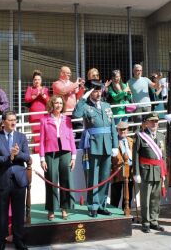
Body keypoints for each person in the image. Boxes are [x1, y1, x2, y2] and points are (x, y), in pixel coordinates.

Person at [73, 80, 118, 218]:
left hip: (107, 146)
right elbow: (76, 114)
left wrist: (115, 145)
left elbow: (112, 127)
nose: (98, 94)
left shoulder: (106, 105)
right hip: (93, 145)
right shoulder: (85, 106)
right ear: (90, 92)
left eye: (99, 91)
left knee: (105, 177)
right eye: (95, 91)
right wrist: (83, 97)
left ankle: (102, 205)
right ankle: (93, 205)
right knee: (93, 177)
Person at [0, 111, 30, 250]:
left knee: (19, 213)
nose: (13, 122)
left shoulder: (21, 136)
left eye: (15, 120)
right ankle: (1, 242)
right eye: (10, 120)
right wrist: (9, 157)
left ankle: (19, 240)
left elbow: (26, 157)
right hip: (2, 180)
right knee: (1, 214)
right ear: (4, 122)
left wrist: (17, 154)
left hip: (19, 180)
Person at [39, 96, 77, 221]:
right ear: (52, 104)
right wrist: (42, 158)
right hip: (51, 152)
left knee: (66, 180)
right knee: (51, 180)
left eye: (61, 103)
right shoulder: (44, 120)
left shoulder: (67, 119)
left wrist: (73, 156)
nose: (59, 105)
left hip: (65, 151)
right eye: (56, 102)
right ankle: (51, 209)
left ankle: (64, 208)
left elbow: (71, 138)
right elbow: (42, 140)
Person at [133, 112, 166, 233]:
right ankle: (145, 222)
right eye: (152, 121)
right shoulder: (140, 136)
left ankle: (154, 221)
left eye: (156, 121)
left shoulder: (161, 136)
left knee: (156, 199)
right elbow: (135, 155)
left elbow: (164, 157)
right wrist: (136, 172)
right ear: (146, 123)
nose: (154, 124)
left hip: (158, 171)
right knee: (145, 198)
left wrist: (164, 172)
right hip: (145, 171)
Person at [110, 121, 134, 210]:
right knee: (115, 196)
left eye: (124, 129)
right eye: (121, 130)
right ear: (117, 130)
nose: (123, 131)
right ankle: (114, 216)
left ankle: (126, 213)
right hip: (117, 172)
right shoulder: (113, 141)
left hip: (130, 171)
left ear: (127, 130)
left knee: (128, 195)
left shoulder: (131, 141)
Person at [24, 70, 49, 154]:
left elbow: (49, 101)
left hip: (44, 115)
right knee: (35, 135)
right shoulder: (30, 88)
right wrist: (36, 95)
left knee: (43, 134)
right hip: (34, 116)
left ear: (41, 80)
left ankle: (43, 152)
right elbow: (27, 99)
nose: (37, 81)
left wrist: (43, 95)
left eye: (38, 79)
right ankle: (36, 152)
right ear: (33, 81)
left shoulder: (45, 89)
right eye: (35, 79)